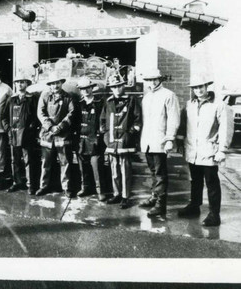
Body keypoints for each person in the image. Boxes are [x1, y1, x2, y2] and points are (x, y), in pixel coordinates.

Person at [176, 75, 234, 227]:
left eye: (201, 87)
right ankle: (194, 206)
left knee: (212, 183)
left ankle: (214, 214)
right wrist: (180, 142)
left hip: (209, 150)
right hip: (192, 151)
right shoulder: (189, 105)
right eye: (195, 88)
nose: (198, 90)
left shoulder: (218, 105)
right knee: (195, 181)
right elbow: (183, 125)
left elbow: (225, 129)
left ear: (207, 87)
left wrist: (222, 149)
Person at [139, 68, 180, 217]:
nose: (152, 82)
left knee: (161, 174)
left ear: (160, 79)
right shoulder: (147, 97)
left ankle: (160, 205)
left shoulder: (169, 95)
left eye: (155, 79)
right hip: (148, 141)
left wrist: (170, 138)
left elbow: (173, 118)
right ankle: (154, 197)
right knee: (153, 172)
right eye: (149, 80)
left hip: (160, 141)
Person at [100, 74, 142, 209]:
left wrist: (129, 134)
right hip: (112, 142)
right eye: (114, 87)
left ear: (123, 86)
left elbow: (137, 119)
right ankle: (117, 194)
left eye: (119, 86)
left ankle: (125, 196)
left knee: (125, 170)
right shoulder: (108, 101)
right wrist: (106, 135)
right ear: (111, 89)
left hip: (125, 143)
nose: (117, 89)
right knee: (114, 170)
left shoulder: (131, 100)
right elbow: (103, 120)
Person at [36, 72, 76, 198]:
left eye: (57, 83)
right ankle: (44, 186)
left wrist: (60, 127)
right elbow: (40, 113)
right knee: (46, 162)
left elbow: (71, 113)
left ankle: (66, 187)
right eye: (52, 83)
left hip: (63, 135)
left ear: (61, 83)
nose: (55, 86)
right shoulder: (45, 96)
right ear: (50, 85)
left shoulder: (68, 97)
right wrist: (50, 126)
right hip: (47, 135)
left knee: (65, 162)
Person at [2, 70, 38, 194]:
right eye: (18, 82)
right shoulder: (11, 100)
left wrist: (31, 129)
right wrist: (8, 129)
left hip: (27, 135)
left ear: (27, 84)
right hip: (14, 135)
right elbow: (4, 117)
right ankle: (16, 182)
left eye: (22, 82)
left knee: (28, 160)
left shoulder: (32, 99)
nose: (20, 84)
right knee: (14, 160)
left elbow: (36, 117)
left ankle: (30, 184)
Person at [75, 77, 108, 201]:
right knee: (82, 166)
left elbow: (103, 121)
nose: (85, 91)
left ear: (91, 88)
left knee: (97, 167)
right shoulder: (79, 104)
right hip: (81, 140)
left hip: (95, 140)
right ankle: (85, 187)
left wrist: (101, 136)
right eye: (82, 89)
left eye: (87, 88)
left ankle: (100, 191)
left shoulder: (100, 103)